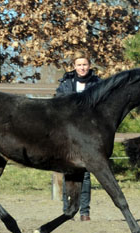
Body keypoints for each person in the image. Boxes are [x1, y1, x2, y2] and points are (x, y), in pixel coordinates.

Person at [55, 50, 101, 221]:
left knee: (86, 172)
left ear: (90, 65)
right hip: (67, 131)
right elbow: (58, 102)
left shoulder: (97, 83)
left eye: (85, 64)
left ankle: (84, 211)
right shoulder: (65, 83)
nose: (82, 68)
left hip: (88, 132)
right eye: (79, 65)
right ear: (74, 66)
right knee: (67, 169)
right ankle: (67, 209)